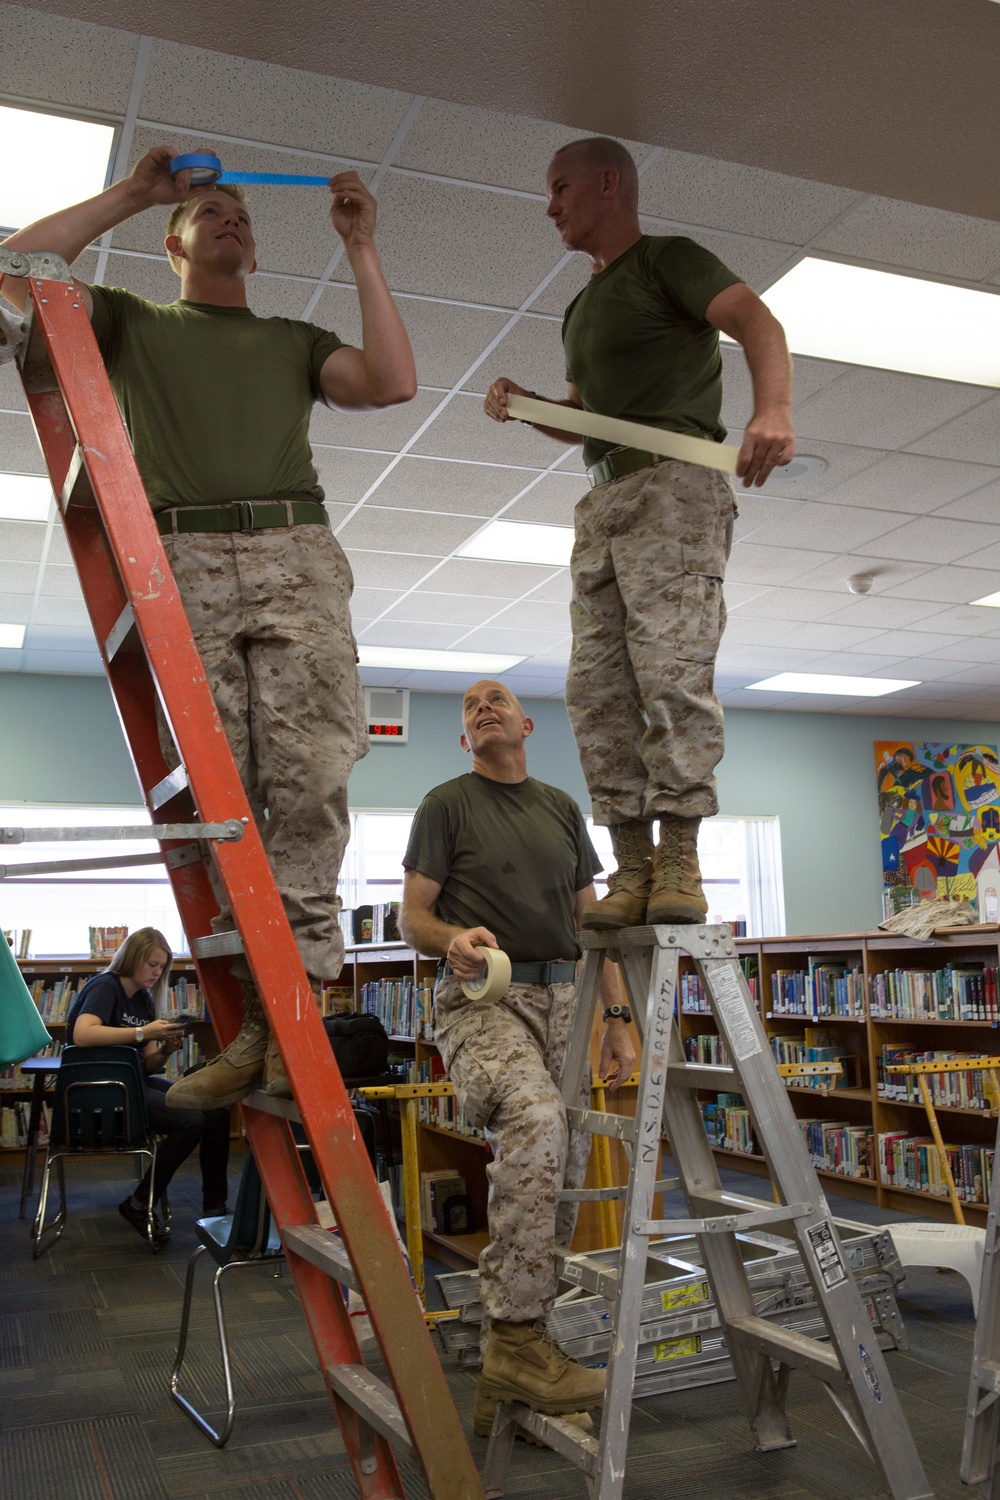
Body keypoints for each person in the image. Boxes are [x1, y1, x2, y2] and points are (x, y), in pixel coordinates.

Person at [2, 148, 417, 1108]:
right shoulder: (134, 318)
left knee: (309, 783)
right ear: (173, 241)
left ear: (258, 254)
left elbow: (392, 381)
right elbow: (16, 271)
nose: (231, 218)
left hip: (293, 550)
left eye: (244, 216)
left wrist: (361, 247)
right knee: (227, 807)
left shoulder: (291, 338)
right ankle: (259, 1024)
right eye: (210, 212)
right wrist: (135, 191)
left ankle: (283, 1024)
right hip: (181, 561)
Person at [483, 136, 795, 931]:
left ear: (608, 184)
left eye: (560, 188)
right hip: (605, 497)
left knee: (672, 675)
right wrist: (531, 406)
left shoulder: (668, 260)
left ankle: (681, 855)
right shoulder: (581, 305)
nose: (550, 206)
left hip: (675, 491)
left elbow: (756, 320)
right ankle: (633, 864)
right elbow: (587, 418)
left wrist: (774, 409)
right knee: (595, 692)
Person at [399, 679, 635, 1435]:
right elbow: (413, 916)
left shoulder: (562, 808)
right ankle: (519, 1335)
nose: (482, 708)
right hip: (483, 997)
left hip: (567, 998)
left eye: (495, 699)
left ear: (527, 723)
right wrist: (452, 941)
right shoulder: (446, 803)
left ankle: (516, 1357)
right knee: (534, 1121)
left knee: (560, 1170)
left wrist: (618, 1016)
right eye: (469, 708)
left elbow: (588, 922)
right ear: (465, 738)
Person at [65, 927, 230, 1245]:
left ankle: (215, 1208)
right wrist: (143, 1034)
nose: (157, 972)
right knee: (190, 1121)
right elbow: (82, 1034)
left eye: (162, 966)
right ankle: (139, 1203)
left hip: (132, 1084)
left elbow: (150, 1064)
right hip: (99, 1091)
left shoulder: (142, 999)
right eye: (151, 964)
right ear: (133, 958)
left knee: (216, 1111)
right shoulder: (106, 986)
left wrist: (165, 1047)